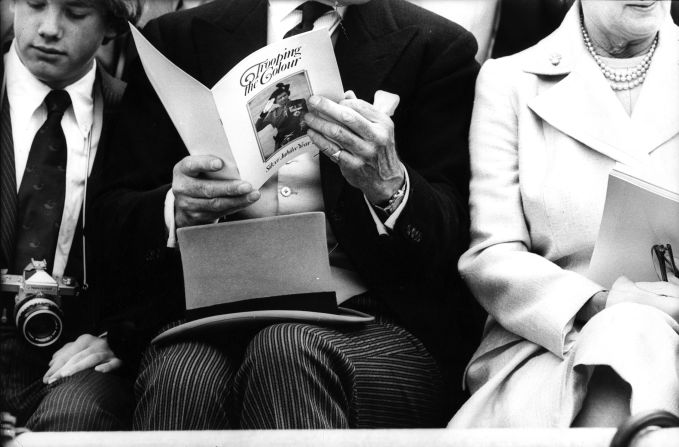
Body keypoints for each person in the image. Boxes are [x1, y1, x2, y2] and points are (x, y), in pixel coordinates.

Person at [92, 0, 480, 430]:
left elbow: (457, 241)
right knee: (181, 377)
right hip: (209, 314)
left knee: (288, 350)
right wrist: (175, 209)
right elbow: (112, 219)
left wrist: (389, 184)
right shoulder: (179, 39)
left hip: (370, 322)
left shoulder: (437, 45)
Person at [449, 0, 679, 428]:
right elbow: (493, 256)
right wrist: (600, 303)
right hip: (554, 345)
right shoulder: (509, 82)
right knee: (627, 332)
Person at [0, 0, 142, 431]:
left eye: (75, 13)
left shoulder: (138, 114)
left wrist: (115, 338)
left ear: (114, 24)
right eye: (35, 4)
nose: (47, 28)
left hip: (73, 359)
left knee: (75, 421)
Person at [255, 82, 309, 152]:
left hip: (299, 136)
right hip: (282, 144)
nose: (283, 98)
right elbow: (257, 128)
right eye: (280, 98)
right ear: (276, 102)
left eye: (285, 95)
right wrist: (264, 112)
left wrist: (303, 127)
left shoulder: (299, 102)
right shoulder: (273, 114)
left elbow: (303, 117)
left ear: (288, 94)